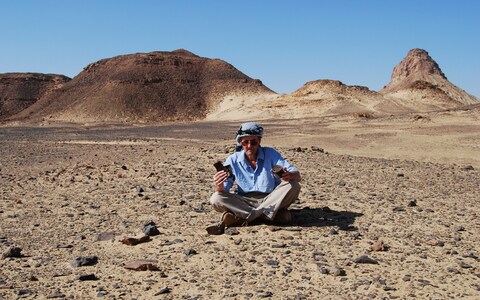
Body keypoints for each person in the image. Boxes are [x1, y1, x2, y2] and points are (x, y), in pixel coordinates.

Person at [209, 122, 301, 229]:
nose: (249, 146)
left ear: (259, 141)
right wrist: (219, 186)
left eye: (253, 142)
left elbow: (297, 176)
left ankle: (244, 217)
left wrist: (289, 175)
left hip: (271, 199)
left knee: (294, 185)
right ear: (240, 143)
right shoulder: (232, 160)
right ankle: (266, 215)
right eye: (245, 142)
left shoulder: (270, 154)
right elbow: (224, 188)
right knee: (216, 198)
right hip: (244, 201)